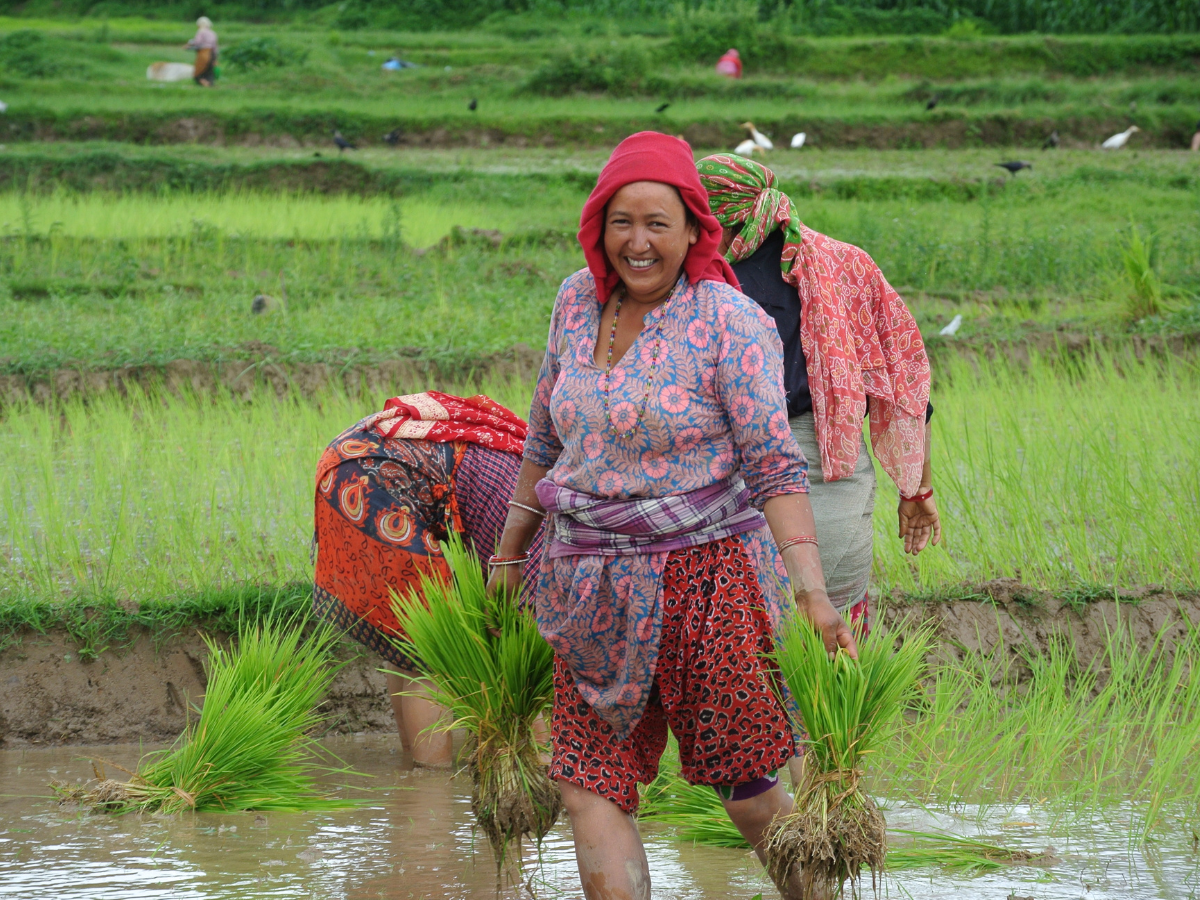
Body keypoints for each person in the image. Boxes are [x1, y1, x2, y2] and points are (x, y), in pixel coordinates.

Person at [487, 131, 856, 900]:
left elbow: (774, 466)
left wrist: (814, 592)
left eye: (658, 222)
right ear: (599, 227)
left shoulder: (729, 320)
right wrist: (510, 551)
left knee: (746, 787)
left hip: (709, 580)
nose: (639, 241)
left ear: (693, 229)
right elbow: (545, 435)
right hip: (586, 583)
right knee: (588, 782)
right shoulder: (573, 302)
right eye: (622, 221)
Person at [697, 153, 940, 628]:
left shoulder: (706, 284)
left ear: (721, 219)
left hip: (739, 475)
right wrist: (917, 487)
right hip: (830, 477)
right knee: (831, 628)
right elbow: (907, 388)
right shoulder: (849, 265)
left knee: (743, 633)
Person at [312, 391, 544, 767]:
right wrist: (544, 757)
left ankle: (413, 769)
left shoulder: (535, 476)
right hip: (376, 478)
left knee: (411, 641)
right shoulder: (542, 528)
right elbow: (520, 646)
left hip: (350, 462)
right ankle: (431, 786)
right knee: (433, 653)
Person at [185, 16, 218, 87]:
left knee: (198, 73)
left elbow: (197, 42)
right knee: (209, 71)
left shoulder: (201, 32)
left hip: (204, 53)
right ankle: (209, 84)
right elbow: (215, 46)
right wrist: (215, 58)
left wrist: (189, 45)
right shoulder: (213, 33)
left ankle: (204, 84)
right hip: (212, 53)